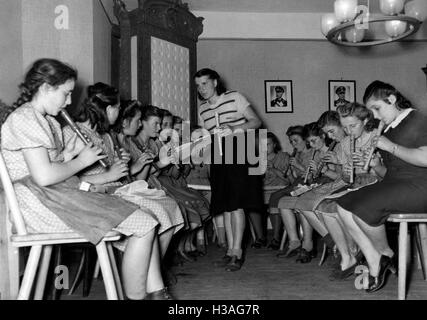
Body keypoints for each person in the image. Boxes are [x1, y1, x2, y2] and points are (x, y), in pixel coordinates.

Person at [1, 58, 170, 300]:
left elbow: (51, 165)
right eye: (66, 93)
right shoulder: (26, 118)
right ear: (47, 87)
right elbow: (44, 175)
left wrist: (70, 154)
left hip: (52, 196)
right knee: (144, 224)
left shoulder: (46, 120)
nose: (69, 101)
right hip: (38, 203)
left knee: (146, 219)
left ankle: (153, 294)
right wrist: (82, 160)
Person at [64, 86, 184, 259]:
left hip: (115, 191)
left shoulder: (104, 136)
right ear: (108, 109)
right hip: (94, 196)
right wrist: (109, 176)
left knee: (168, 208)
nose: (120, 113)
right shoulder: (72, 133)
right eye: (118, 108)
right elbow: (70, 181)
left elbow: (119, 174)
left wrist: (125, 168)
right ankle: (146, 271)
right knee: (152, 217)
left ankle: (154, 270)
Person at [335, 81, 427, 292]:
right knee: (343, 205)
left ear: (392, 99)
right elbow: (391, 175)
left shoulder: (418, 119)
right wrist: (376, 165)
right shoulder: (390, 127)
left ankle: (386, 255)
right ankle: (375, 257)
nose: (375, 116)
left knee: (364, 208)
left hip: (421, 187)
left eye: (377, 108)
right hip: (401, 185)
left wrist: (390, 146)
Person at [194, 68, 263, 272]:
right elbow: (207, 137)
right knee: (225, 204)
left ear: (215, 82)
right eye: (198, 85)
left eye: (205, 83)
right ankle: (230, 252)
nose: (201, 88)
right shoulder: (202, 109)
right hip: (218, 156)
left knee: (237, 203)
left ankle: (237, 251)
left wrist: (233, 129)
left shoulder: (234, 97)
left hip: (240, 150)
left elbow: (256, 121)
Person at [316, 102, 381, 280]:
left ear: (364, 121)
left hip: (374, 182)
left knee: (341, 206)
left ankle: (357, 250)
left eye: (352, 126)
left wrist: (370, 164)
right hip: (355, 184)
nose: (349, 131)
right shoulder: (345, 143)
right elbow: (345, 178)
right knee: (323, 206)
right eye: (346, 127)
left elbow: (384, 170)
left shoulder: (375, 136)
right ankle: (347, 256)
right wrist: (345, 167)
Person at [268, 125, 312, 254]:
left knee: (278, 197)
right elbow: (293, 181)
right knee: (278, 198)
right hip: (298, 185)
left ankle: (301, 241)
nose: (293, 144)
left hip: (310, 185)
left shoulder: (313, 153)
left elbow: (312, 176)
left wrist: (298, 166)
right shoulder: (296, 155)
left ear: (306, 140)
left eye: (296, 141)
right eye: (291, 142)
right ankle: (293, 241)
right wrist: (291, 172)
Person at [260, 132, 291, 250]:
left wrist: (272, 168)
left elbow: (287, 179)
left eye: (267, 144)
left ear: (274, 145)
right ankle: (260, 238)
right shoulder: (256, 159)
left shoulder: (284, 156)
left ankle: (276, 237)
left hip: (280, 190)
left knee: (275, 203)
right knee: (250, 203)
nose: (264, 148)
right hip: (263, 191)